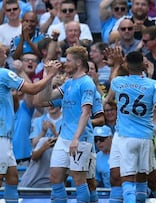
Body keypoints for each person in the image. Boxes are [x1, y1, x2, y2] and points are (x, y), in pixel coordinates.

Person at [0, 41, 61, 203]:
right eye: (4, 53)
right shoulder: (3, 74)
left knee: (12, 178)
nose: (6, 56)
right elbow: (33, 89)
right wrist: (50, 74)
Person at [110, 51, 156, 202]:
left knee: (128, 181)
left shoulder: (119, 82)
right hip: (146, 138)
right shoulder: (153, 84)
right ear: (144, 65)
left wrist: (117, 64)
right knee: (144, 177)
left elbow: (112, 80)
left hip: (126, 137)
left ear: (127, 65)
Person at [36, 45, 96, 202]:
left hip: (80, 138)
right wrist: (48, 77)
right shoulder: (69, 83)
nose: (64, 63)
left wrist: (76, 138)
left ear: (78, 62)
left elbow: (86, 112)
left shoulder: (87, 83)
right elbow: (44, 99)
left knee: (79, 179)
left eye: (68, 60)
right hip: (63, 138)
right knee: (55, 177)